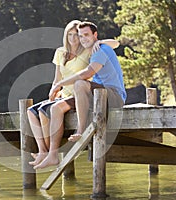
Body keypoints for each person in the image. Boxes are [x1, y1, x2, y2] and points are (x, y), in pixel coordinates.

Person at [33, 21, 126, 169]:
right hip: (95, 94)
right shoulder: (89, 50)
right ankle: (52, 154)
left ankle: (81, 130)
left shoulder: (101, 49)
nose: (83, 39)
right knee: (56, 108)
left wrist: (59, 84)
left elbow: (88, 73)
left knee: (80, 83)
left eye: (86, 35)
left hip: (113, 95)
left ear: (95, 35)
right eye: (80, 36)